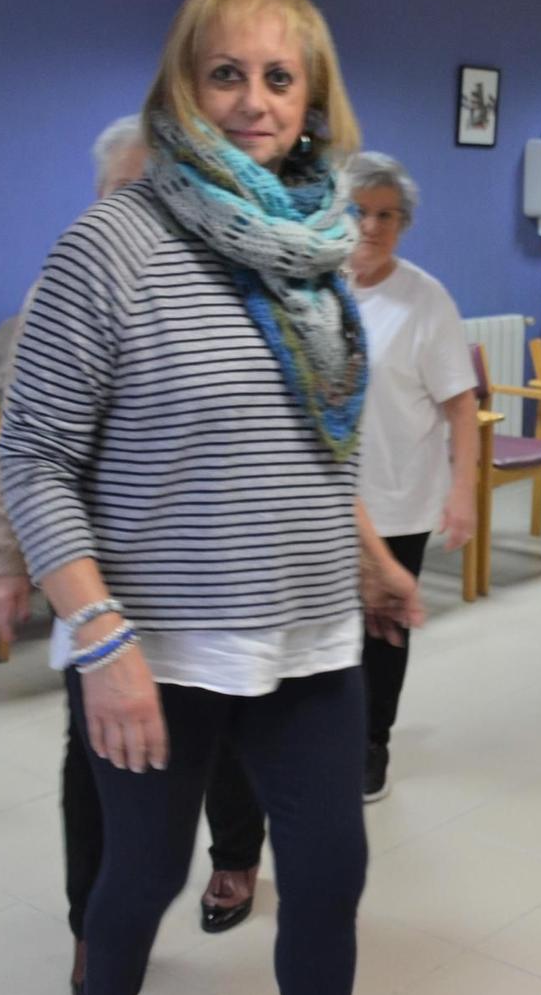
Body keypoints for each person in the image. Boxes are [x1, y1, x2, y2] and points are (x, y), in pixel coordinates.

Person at [0, 0, 423, 995]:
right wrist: (101, 639)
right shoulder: (110, 246)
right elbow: (35, 461)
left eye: (279, 77)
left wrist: (369, 555)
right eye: (224, 73)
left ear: (311, 97)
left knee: (331, 877)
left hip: (312, 636)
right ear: (182, 86)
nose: (253, 100)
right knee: (140, 874)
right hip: (159, 642)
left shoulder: (316, 249)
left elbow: (313, 443)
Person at [196, 151, 477, 931]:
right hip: (296, 515)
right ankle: (241, 846)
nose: (372, 227)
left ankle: (368, 746)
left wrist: (461, 489)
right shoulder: (292, 286)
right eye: (359, 210)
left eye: (388, 214)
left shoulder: (426, 300)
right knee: (275, 670)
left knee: (370, 646)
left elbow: (460, 406)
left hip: (395, 502)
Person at [0, 114, 146, 995]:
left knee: (228, 751)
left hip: (206, 581)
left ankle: (232, 863)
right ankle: (92, 928)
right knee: (93, 763)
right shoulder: (62, 288)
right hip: (94, 572)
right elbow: (24, 449)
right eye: (121, 193)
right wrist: (9, 563)